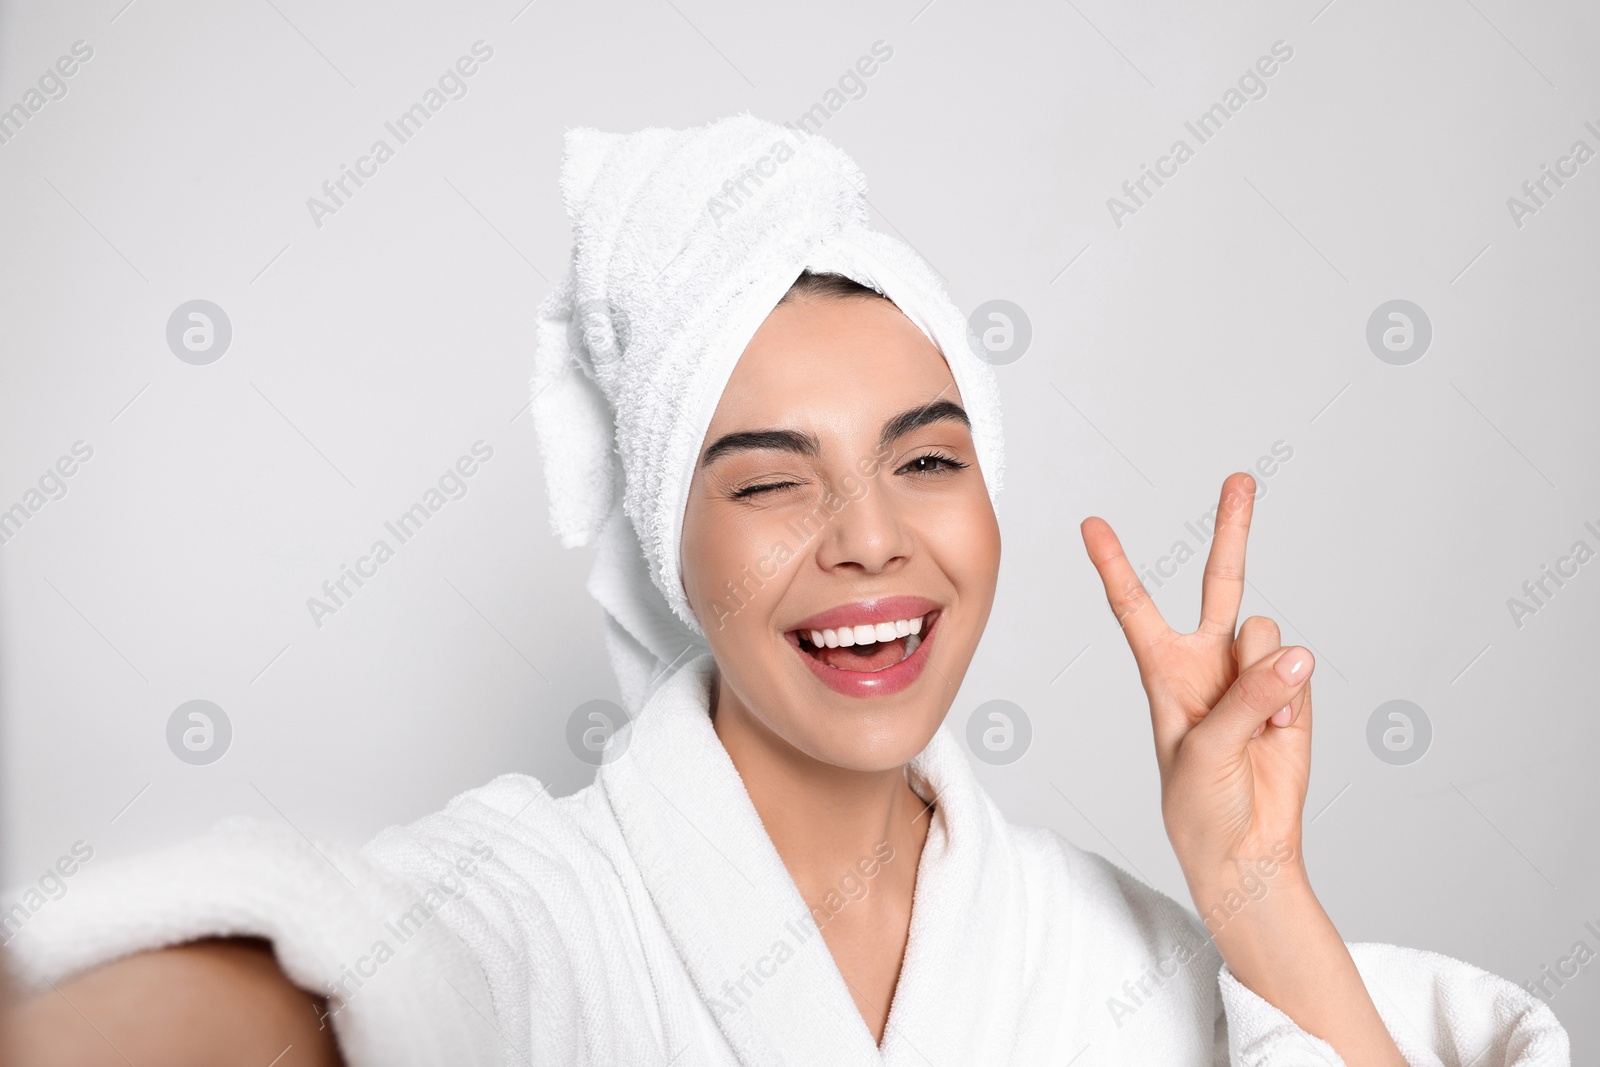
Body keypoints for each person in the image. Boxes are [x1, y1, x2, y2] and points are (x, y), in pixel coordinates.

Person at [1, 116, 1569, 1066]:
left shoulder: (1098, 951)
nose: (870, 537)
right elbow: (352, 962)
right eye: (768, 480)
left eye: (929, 461)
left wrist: (1255, 896)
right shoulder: (550, 911)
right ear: (667, 546)